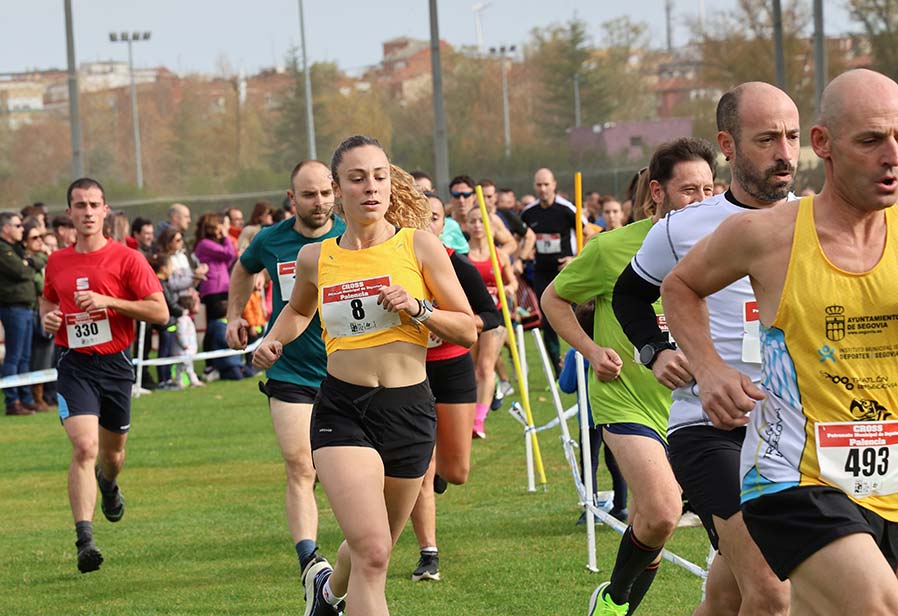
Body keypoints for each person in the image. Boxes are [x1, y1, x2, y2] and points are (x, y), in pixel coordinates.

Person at [661, 69, 898, 616]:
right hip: (793, 477)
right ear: (824, 144)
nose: (890, 155)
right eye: (869, 140)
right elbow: (680, 286)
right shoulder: (769, 234)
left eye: (897, 137)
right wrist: (711, 369)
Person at [253, 135, 476, 616]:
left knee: (368, 549)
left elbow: (467, 328)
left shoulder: (419, 246)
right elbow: (296, 310)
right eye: (357, 179)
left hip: (409, 410)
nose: (370, 188)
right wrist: (274, 340)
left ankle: (327, 592)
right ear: (336, 189)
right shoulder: (316, 257)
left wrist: (419, 308)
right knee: (374, 552)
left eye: (379, 177)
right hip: (342, 410)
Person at [613, 81, 799, 615]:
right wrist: (655, 349)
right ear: (728, 144)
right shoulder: (680, 230)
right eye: (766, 139)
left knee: (728, 594)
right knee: (772, 591)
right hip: (710, 429)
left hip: (794, 433)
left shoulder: (815, 221)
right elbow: (631, 293)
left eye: (790, 137)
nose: (784, 154)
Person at [540, 138, 716, 616]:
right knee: (662, 511)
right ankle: (615, 600)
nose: (700, 200)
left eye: (708, 189)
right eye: (687, 190)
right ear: (657, 192)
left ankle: (617, 606)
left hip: (694, 407)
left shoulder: (727, 248)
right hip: (626, 399)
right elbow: (553, 300)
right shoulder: (613, 248)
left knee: (649, 522)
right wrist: (592, 350)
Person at [225, 159, 346, 605]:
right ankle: (310, 559)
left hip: (347, 367)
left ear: (335, 193)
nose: (319, 203)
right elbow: (243, 269)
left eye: (325, 193)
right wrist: (234, 314)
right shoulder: (271, 239)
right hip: (290, 367)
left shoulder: (350, 238)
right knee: (301, 465)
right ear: (291, 198)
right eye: (308, 195)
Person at [40, 177, 168, 573]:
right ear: (69, 214)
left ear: (105, 210)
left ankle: (108, 484)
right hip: (73, 363)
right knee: (83, 447)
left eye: (94, 204)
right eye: (80, 205)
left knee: (111, 455)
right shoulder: (57, 261)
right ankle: (85, 540)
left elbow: (160, 312)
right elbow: (46, 297)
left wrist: (108, 301)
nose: (88, 212)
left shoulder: (127, 259)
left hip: (115, 365)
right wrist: (47, 317)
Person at [408, 194, 500, 581]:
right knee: (421, 470)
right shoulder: (397, 263)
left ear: (443, 225)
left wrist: (449, 322)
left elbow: (490, 315)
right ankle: (429, 553)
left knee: (456, 470)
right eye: (419, 218)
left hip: (452, 368)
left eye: (434, 218)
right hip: (409, 371)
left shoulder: (455, 263)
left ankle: (442, 469)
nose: (426, 224)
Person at [557, 299, 629, 524]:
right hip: (615, 414)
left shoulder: (574, 354)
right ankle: (621, 506)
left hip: (589, 419)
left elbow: (566, 385)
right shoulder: (618, 350)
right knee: (616, 461)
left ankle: (591, 505)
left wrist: (565, 369)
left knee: (590, 462)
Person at [522, 167, 593, 377]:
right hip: (542, 272)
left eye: (546, 184)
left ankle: (585, 358)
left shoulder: (566, 209)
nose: (543, 189)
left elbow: (589, 233)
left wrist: (575, 258)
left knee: (580, 315)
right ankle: (557, 369)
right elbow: (522, 236)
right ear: (534, 187)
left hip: (567, 271)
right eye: (539, 185)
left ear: (554, 185)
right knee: (548, 320)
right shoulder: (528, 212)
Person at [463, 205, 517, 438]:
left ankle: (478, 421)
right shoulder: (463, 257)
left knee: (486, 366)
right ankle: (473, 412)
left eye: (480, 220)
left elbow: (514, 283)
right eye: (472, 221)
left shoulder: (500, 255)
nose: (476, 225)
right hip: (471, 317)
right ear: (466, 225)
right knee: (472, 369)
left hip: (495, 317)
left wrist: (506, 288)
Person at [0, 211, 40, 415]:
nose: (21, 229)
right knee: (14, 356)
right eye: (17, 226)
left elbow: (32, 265)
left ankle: (25, 398)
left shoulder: (16, 249)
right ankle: (12, 401)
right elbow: (21, 272)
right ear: (5, 228)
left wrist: (29, 263)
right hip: (13, 307)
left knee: (25, 356)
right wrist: (29, 265)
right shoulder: (3, 249)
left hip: (25, 307)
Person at [23, 219, 53, 411]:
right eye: (34, 238)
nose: (39, 241)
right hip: (33, 310)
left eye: (41, 237)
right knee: (34, 356)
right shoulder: (28, 262)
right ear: (25, 241)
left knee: (46, 355)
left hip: (43, 309)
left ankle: (44, 395)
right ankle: (35, 397)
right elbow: (40, 286)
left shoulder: (41, 260)